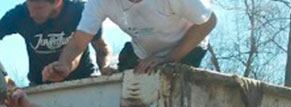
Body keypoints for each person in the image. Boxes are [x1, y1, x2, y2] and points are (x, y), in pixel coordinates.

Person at [43, 0, 217, 81]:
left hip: (187, 47)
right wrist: (64, 64)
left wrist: (169, 58)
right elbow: (78, 42)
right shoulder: (97, 2)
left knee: (173, 93)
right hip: (145, 52)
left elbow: (209, 22)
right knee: (125, 91)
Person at [0, 0, 112, 86]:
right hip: (40, 86)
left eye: (38, 8)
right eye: (29, 6)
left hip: (84, 81)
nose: (32, 14)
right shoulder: (19, 14)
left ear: (58, 2)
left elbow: (102, 49)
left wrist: (104, 68)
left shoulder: (80, 12)